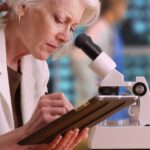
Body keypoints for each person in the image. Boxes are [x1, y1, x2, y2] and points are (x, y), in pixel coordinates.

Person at [0, 0, 100, 149]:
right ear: (22, 6)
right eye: (59, 20)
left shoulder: (38, 69)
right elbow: (25, 136)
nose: (66, 37)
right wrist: (26, 134)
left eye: (72, 28)